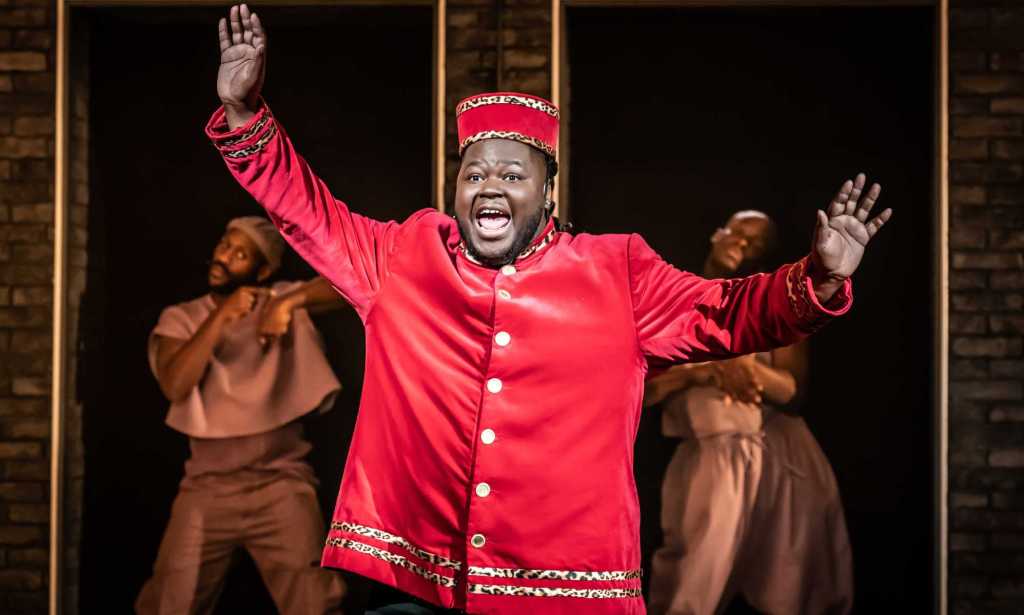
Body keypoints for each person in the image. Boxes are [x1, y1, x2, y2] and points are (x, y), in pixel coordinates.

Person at [204, 6, 891, 613]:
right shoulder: (407, 253)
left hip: (565, 596)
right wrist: (244, 115)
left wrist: (819, 276)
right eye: (474, 173)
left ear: (548, 194)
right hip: (416, 586)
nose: (488, 185)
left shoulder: (617, 270)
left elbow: (729, 313)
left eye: (511, 174)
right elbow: (306, 214)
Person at [135, 216, 348, 615]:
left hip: (281, 483)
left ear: (263, 270)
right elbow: (174, 385)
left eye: (240, 254)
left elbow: (351, 283)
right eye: (223, 246)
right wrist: (221, 317)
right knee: (170, 601)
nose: (223, 257)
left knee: (316, 601)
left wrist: (288, 302)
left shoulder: (279, 300)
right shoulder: (181, 317)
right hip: (207, 488)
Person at [644, 211, 853, 615]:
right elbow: (646, 389)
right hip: (706, 453)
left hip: (774, 452)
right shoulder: (673, 299)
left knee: (788, 583)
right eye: (737, 232)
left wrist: (745, 365)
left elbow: (793, 393)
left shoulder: (771, 308)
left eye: (755, 242)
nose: (742, 243)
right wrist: (709, 369)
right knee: (689, 583)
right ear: (716, 233)